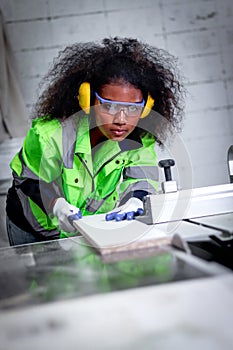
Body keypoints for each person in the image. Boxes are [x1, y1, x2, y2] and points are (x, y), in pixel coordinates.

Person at [6, 37, 185, 246]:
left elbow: (142, 179)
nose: (121, 120)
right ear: (87, 99)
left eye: (134, 108)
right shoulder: (50, 134)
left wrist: (136, 199)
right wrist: (56, 205)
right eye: (109, 106)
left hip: (87, 226)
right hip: (32, 227)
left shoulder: (139, 139)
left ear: (147, 108)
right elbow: (28, 180)